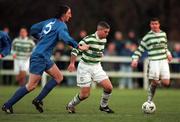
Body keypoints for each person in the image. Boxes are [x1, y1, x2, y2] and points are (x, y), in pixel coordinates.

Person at [2, 5, 89, 114]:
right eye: (69, 13)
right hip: (39, 57)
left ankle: (38, 100)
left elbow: (33, 29)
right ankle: (7, 105)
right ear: (63, 14)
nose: (70, 15)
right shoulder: (62, 25)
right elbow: (66, 38)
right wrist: (79, 46)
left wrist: (41, 37)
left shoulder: (50, 21)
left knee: (59, 77)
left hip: (43, 56)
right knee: (31, 86)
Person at [66, 21, 114, 114]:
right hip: (85, 67)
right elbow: (75, 50)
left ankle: (103, 106)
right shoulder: (88, 39)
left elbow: (97, 51)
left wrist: (99, 54)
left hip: (96, 66)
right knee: (85, 95)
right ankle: (70, 105)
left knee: (109, 88)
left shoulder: (104, 40)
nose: (107, 34)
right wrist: (72, 63)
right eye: (105, 32)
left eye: (108, 32)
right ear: (99, 30)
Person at [131, 18, 173, 102]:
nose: (154, 25)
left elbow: (165, 46)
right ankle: (149, 100)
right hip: (154, 61)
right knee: (154, 81)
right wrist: (135, 59)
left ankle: (155, 83)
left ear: (159, 24)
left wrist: (168, 53)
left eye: (156, 24)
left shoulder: (163, 34)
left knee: (166, 83)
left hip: (164, 61)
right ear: (150, 25)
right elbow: (140, 49)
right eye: (152, 24)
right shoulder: (147, 37)